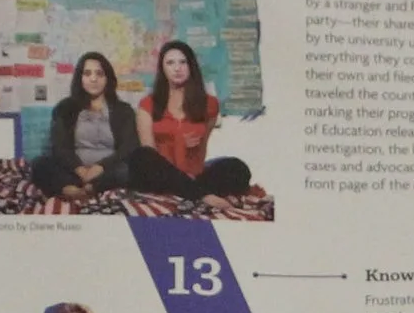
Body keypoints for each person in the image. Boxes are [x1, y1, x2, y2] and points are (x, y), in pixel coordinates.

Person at [130, 39, 256, 200]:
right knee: (141, 156)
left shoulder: (209, 104)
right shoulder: (147, 104)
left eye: (183, 62)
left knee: (237, 168)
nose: (177, 68)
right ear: (163, 68)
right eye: (170, 63)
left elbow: (202, 148)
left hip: (193, 174)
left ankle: (191, 189)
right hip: (161, 176)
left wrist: (193, 173)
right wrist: (180, 142)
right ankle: (201, 194)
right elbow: (151, 154)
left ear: (191, 66)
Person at [28, 52, 144, 201]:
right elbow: (60, 147)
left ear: (107, 78)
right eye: (87, 73)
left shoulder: (124, 110)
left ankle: (91, 188)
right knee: (40, 163)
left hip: (108, 172)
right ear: (80, 78)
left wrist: (100, 167)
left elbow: (129, 146)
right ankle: (72, 191)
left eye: (99, 74)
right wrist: (80, 170)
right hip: (74, 172)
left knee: (131, 168)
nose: (93, 79)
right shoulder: (65, 108)